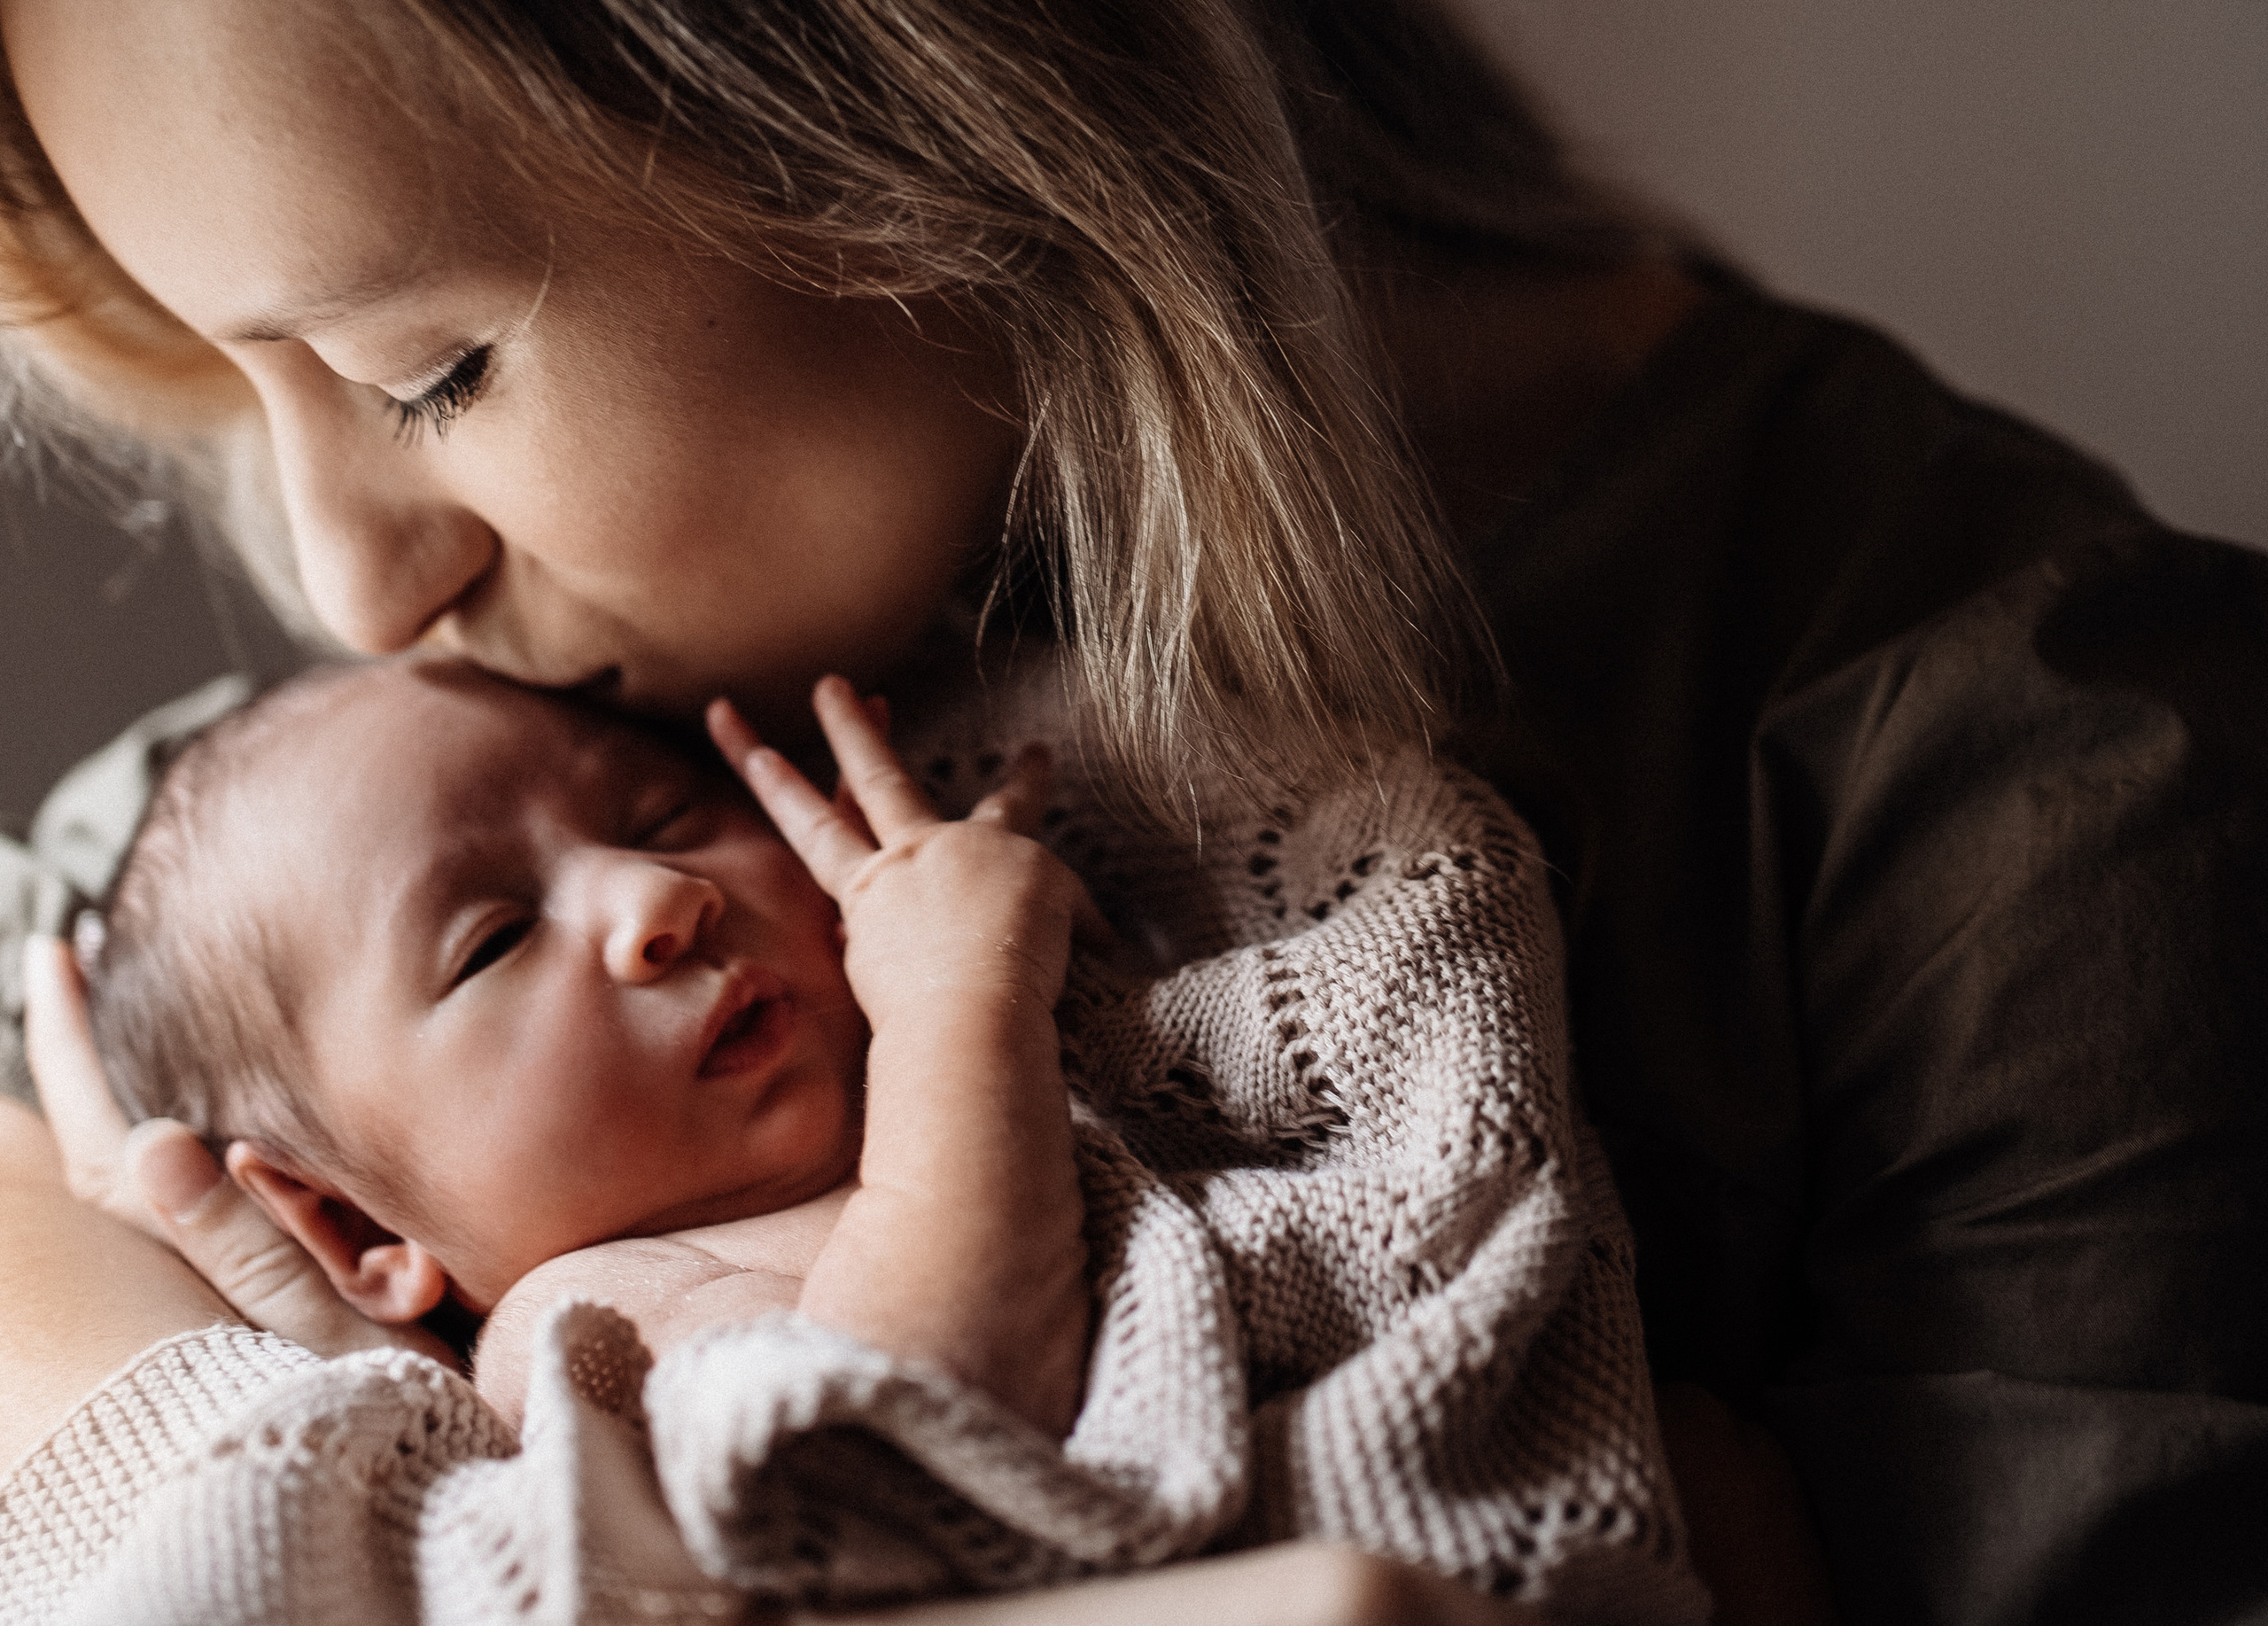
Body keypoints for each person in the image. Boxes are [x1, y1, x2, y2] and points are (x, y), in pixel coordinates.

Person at [0, 0, 2258, 1622]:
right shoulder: (302, 872)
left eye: (433, 367)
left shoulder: (2042, 792)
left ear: (901, 58)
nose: (349, 586)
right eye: (234, 370)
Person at [57, 650, 1704, 1618]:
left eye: (657, 815)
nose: (653, 903)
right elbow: (925, 1398)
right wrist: (956, 991)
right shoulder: (595, 1315)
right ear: (357, 1235)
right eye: (491, 942)